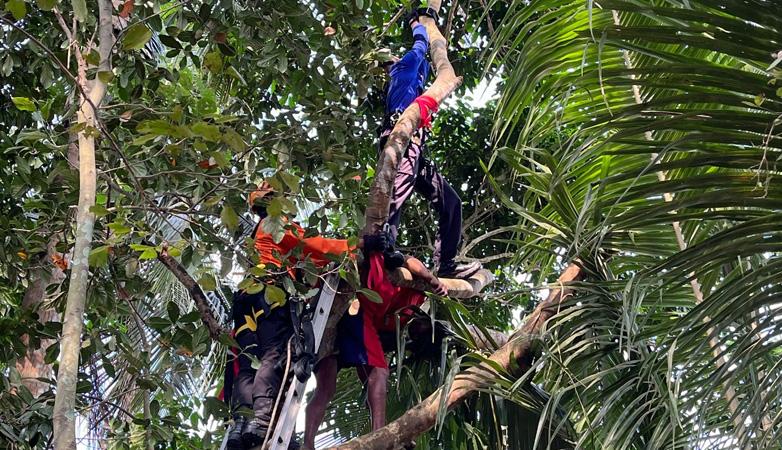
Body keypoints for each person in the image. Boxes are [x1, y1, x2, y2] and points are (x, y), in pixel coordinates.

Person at [226, 181, 387, 450]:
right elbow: (314, 246)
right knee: (273, 354)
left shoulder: (257, 235)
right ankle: (263, 421)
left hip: (245, 296)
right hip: (270, 292)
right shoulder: (276, 223)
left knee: (247, 362)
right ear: (274, 201)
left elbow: (306, 259)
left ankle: (242, 425)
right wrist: (361, 243)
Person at [302, 251, 447, 450]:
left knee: (329, 388)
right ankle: (379, 433)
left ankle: (376, 432)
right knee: (376, 372)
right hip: (355, 313)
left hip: (354, 325)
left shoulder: (400, 331)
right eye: (421, 330)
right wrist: (431, 278)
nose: (416, 333)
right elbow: (409, 260)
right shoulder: (417, 294)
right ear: (425, 322)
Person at [378, 9, 481, 280]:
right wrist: (419, 21)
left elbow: (429, 66)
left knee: (451, 202)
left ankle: (446, 262)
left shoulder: (412, 79)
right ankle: (383, 245)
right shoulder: (403, 68)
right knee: (397, 191)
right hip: (401, 139)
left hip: (414, 146)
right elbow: (421, 48)